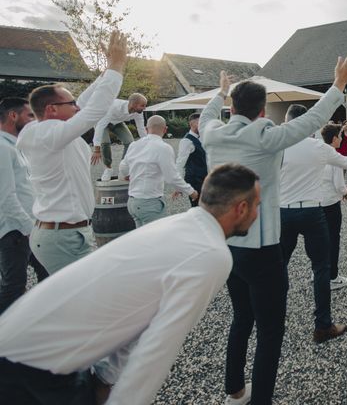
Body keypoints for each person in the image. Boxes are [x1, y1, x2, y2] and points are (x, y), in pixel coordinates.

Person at [0, 164, 259, 405]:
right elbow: (156, 351)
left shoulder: (176, 225)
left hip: (22, 342)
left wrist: (106, 378)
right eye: (257, 205)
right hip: (33, 370)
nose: (259, 213)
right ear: (242, 208)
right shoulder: (211, 254)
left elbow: (139, 318)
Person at [199, 51, 347, 405]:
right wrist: (339, 84)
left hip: (225, 245)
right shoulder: (265, 137)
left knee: (241, 317)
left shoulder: (212, 134)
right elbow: (314, 118)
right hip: (262, 247)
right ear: (261, 111)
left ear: (234, 107)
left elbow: (208, 115)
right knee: (270, 331)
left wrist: (219, 92)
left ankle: (235, 391)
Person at [16, 31, 127, 275]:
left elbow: (87, 101)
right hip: (60, 237)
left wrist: (107, 70)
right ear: (52, 109)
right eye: (71, 104)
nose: (77, 107)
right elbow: (94, 109)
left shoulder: (54, 131)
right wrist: (117, 67)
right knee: (81, 305)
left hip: (70, 233)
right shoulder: (45, 135)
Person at [279, 105, 347, 342]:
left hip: (283, 212)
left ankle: (274, 318)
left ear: (287, 120)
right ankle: (323, 326)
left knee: (278, 265)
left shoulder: (277, 146)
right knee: (321, 267)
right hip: (312, 213)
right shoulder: (319, 147)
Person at [0, 98, 48, 314]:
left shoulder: (15, 146)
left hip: (28, 227)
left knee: (48, 275)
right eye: (29, 115)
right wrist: (28, 228)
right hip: (16, 231)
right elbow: (6, 196)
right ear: (13, 115)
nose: (33, 120)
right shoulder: (2, 148)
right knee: (14, 286)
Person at [119, 115, 198, 228]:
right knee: (157, 240)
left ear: (146, 129)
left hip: (132, 201)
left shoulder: (134, 145)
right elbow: (171, 177)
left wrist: (127, 175)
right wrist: (191, 191)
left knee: (142, 240)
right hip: (149, 202)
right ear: (165, 129)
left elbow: (123, 166)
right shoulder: (163, 148)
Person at [320, 124, 347, 291]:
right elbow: (339, 185)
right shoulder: (335, 158)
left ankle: (318, 272)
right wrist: (346, 191)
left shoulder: (316, 154)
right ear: (334, 138)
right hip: (331, 204)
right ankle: (333, 276)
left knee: (320, 240)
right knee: (333, 239)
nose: (342, 139)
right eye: (340, 136)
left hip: (317, 204)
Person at [90, 92, 148, 182]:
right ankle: (108, 168)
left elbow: (141, 128)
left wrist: (148, 143)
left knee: (130, 143)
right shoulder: (114, 107)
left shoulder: (138, 113)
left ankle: (123, 168)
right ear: (133, 104)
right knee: (105, 143)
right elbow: (100, 127)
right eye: (142, 105)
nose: (144, 108)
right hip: (102, 121)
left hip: (117, 122)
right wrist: (97, 149)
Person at [176, 113, 207, 207]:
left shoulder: (203, 137)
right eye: (199, 123)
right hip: (195, 181)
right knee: (198, 208)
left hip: (205, 179)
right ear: (191, 124)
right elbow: (180, 164)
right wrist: (179, 186)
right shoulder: (186, 141)